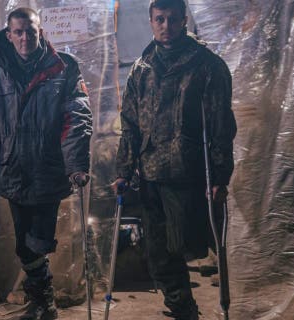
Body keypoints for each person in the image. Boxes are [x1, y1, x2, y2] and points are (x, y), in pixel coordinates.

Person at [0, 7, 92, 320]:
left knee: (38, 241)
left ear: (40, 31)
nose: (24, 37)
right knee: (24, 245)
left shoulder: (63, 66)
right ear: (9, 34)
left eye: (30, 31)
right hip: (14, 168)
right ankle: (44, 303)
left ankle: (43, 302)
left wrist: (76, 165)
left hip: (49, 168)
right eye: (18, 32)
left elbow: (77, 117)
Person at [112, 0, 236, 318]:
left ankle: (188, 305)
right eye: (159, 20)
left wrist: (220, 177)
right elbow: (129, 123)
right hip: (150, 172)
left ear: (184, 21)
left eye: (172, 19)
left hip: (188, 172)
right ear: (151, 21)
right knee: (158, 253)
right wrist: (124, 169)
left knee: (183, 245)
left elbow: (221, 126)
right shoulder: (142, 68)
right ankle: (182, 308)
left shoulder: (207, 66)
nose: (165, 26)